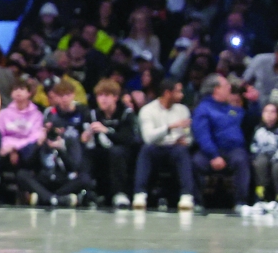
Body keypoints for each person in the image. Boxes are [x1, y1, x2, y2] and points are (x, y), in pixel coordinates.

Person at [192, 74, 252, 214]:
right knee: (196, 162)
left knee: (241, 159)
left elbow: (249, 118)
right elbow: (203, 135)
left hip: (232, 150)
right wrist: (214, 155)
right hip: (211, 151)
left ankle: (241, 202)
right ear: (216, 89)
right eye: (226, 85)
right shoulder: (203, 109)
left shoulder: (230, 108)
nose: (229, 87)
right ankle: (197, 202)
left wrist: (253, 103)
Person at [134, 79, 196, 211]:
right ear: (167, 93)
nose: (182, 95)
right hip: (156, 149)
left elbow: (187, 136)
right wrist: (170, 127)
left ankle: (186, 195)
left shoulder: (183, 110)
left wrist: (186, 141)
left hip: (174, 149)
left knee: (182, 151)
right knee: (146, 150)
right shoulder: (147, 110)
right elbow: (148, 138)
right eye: (178, 91)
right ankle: (140, 194)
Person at [88, 79, 140, 208]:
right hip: (102, 149)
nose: (103, 99)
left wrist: (106, 130)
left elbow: (127, 139)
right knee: (89, 153)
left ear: (115, 97)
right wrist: (85, 136)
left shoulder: (125, 113)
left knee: (116, 152)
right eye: (100, 95)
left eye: (107, 95)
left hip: (125, 151)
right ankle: (90, 192)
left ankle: (120, 193)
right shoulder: (94, 114)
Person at [0, 80, 45, 169]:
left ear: (29, 93)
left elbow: (35, 136)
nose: (18, 91)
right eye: (15, 89)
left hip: (27, 150)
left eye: (22, 89)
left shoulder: (37, 115)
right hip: (5, 149)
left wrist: (15, 148)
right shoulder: (3, 113)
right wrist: (8, 148)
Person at [251, 102, 278, 201]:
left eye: (273, 112)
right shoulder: (258, 130)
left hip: (276, 156)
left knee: (276, 167)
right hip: (263, 155)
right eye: (266, 111)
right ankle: (261, 195)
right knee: (260, 163)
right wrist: (254, 156)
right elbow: (254, 146)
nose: (269, 114)